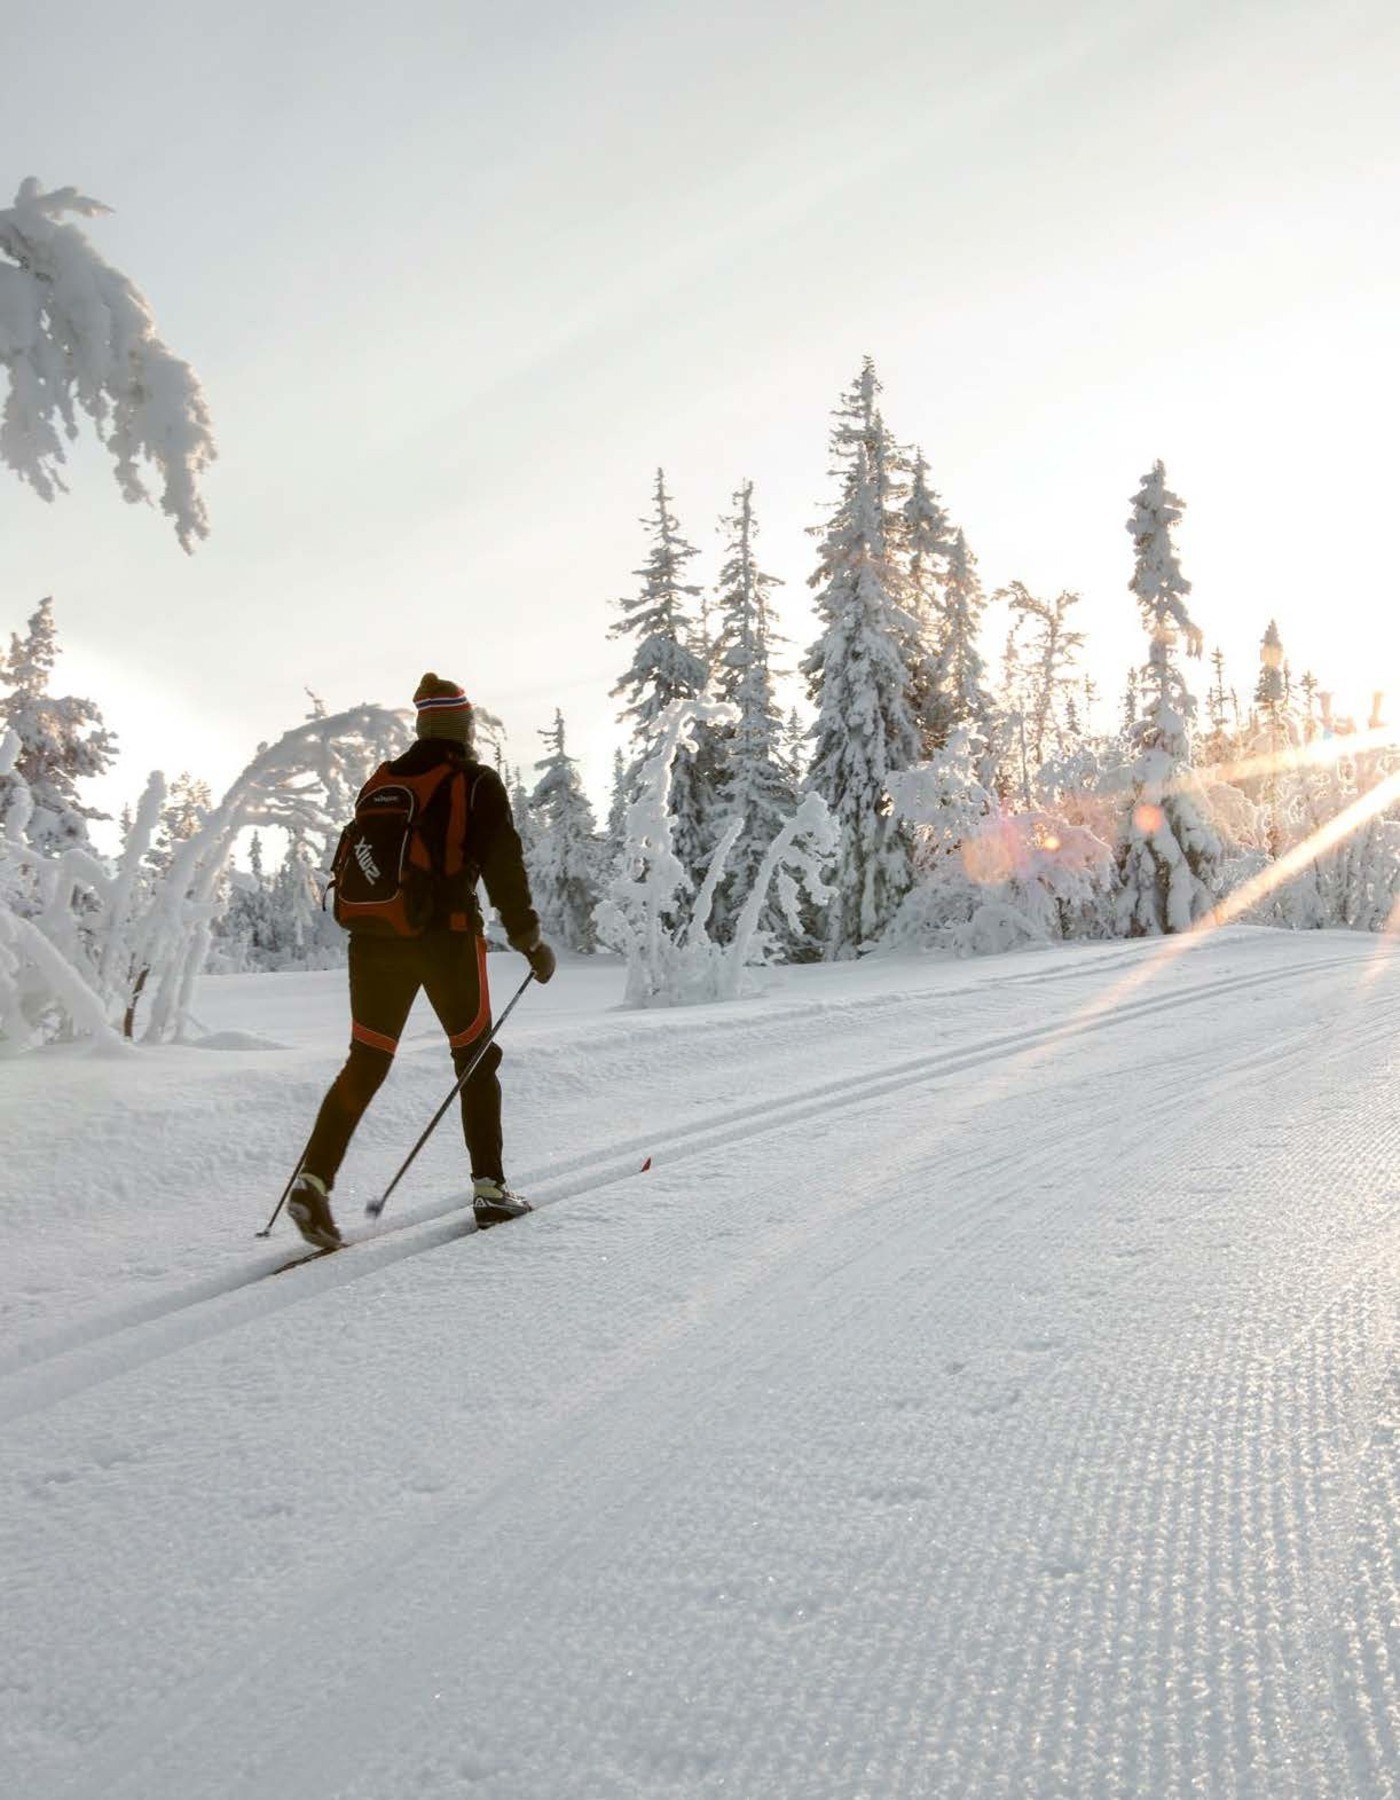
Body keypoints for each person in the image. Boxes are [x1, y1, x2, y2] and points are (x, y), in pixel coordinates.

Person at [287, 673, 555, 1249]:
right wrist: (530, 940)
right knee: (475, 1057)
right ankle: (490, 1190)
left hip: (374, 941)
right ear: (463, 727)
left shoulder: (381, 782)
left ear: (421, 726)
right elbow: (505, 865)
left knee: (367, 1061)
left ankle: (314, 1178)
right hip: (447, 940)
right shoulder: (475, 781)